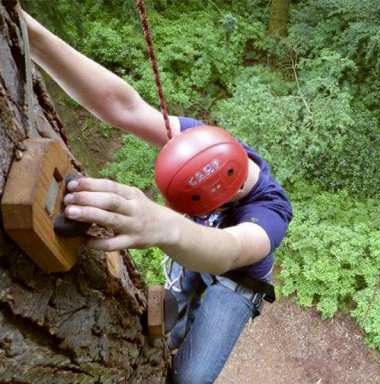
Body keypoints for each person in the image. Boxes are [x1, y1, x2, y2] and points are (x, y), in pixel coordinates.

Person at [22, 11, 293, 384]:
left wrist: (165, 226)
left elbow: (230, 249)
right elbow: (125, 108)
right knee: (169, 329)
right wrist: (31, 36)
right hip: (193, 253)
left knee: (190, 378)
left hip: (237, 281)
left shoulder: (272, 211)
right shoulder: (205, 147)